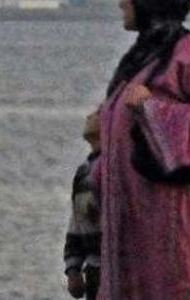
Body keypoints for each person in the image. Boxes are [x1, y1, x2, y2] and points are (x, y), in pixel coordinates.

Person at [95, 0, 190, 300]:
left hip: (168, 217)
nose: (122, 2)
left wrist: (156, 110)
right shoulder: (141, 57)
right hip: (128, 221)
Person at [63, 111, 102, 299]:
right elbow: (77, 223)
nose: (90, 115)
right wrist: (73, 269)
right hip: (94, 271)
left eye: (100, 112)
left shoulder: (117, 167)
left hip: (116, 270)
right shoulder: (83, 172)